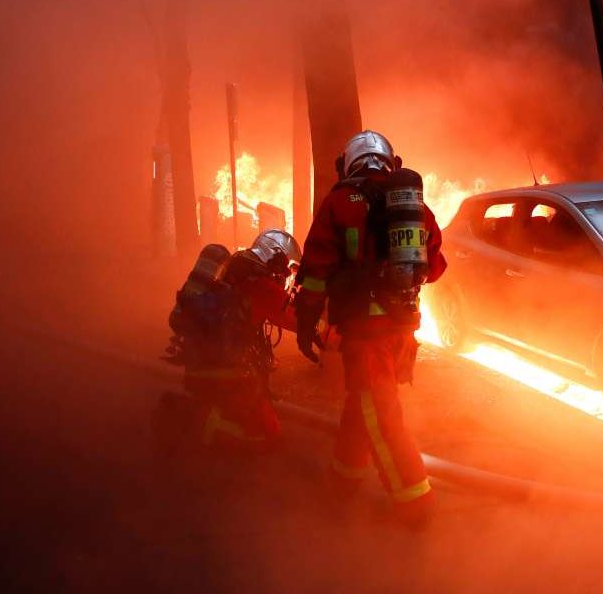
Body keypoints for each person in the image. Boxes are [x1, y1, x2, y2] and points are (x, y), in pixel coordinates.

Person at [293, 130, 447, 526]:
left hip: (364, 335)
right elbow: (436, 267)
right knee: (363, 405)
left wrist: (307, 321)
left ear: (348, 163)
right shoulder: (413, 206)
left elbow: (314, 272)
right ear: (390, 162)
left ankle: (415, 505)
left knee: (380, 415)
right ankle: (344, 478)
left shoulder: (340, 202)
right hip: (401, 331)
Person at [156, 229, 301, 455]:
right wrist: (346, 331)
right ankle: (190, 418)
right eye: (288, 268)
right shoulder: (263, 287)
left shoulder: (234, 272)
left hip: (203, 364)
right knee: (265, 436)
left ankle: (203, 415)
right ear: (277, 257)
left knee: (263, 422)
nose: (287, 276)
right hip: (228, 373)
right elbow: (302, 322)